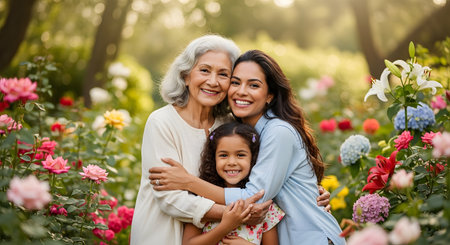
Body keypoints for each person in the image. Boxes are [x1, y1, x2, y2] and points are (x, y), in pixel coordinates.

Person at [149, 50, 345, 244]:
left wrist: (188, 182)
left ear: (269, 95)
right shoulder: (243, 134)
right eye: (235, 82)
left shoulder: (278, 131)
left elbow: (254, 198)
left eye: (253, 85)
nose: (241, 91)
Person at [183, 122, 284, 245]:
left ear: (253, 159)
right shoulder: (203, 199)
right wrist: (226, 226)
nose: (231, 162)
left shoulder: (262, 206)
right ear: (213, 158)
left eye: (240, 155)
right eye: (223, 155)